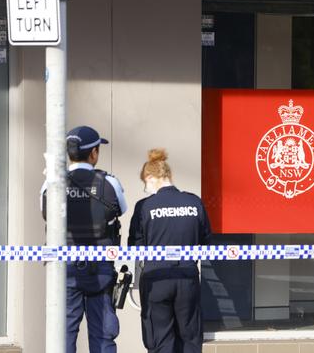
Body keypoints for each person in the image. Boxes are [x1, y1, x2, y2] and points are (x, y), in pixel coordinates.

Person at [40, 125, 127, 353]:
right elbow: (122, 209)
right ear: (94, 153)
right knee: (102, 335)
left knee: (64, 335)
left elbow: (44, 212)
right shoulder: (110, 183)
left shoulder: (52, 184)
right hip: (100, 270)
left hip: (65, 269)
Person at [128, 148, 211, 353]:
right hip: (187, 278)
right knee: (190, 338)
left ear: (150, 177)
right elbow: (206, 240)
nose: (145, 187)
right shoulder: (194, 202)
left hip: (156, 279)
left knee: (160, 339)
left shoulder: (144, 207)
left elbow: (135, 247)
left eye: (144, 182)